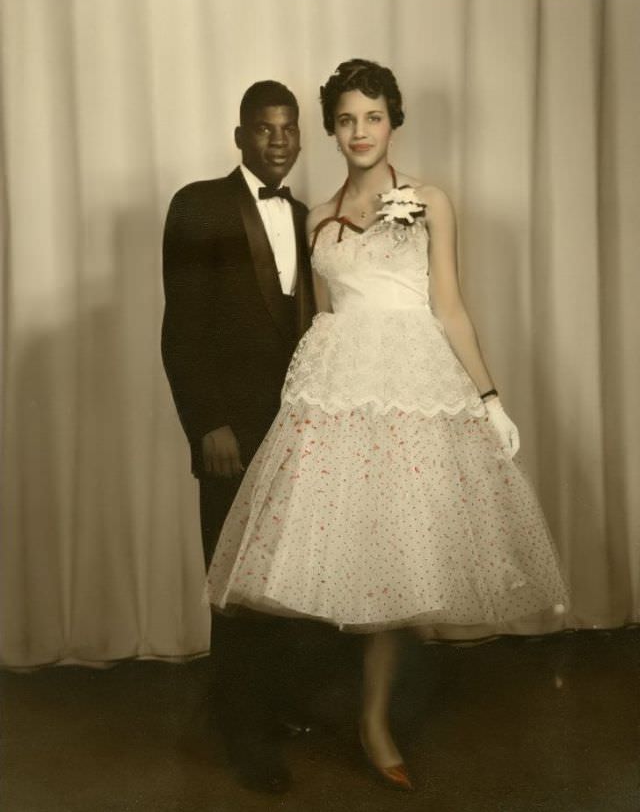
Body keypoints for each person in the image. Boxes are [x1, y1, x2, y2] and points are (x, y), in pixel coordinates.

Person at [204, 60, 569, 792]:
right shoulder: (315, 217)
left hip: (411, 385)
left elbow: (450, 306)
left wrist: (488, 397)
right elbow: (316, 316)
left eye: (372, 116)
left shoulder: (429, 200)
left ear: (393, 121)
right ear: (330, 130)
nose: (359, 131)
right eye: (345, 119)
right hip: (336, 392)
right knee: (341, 557)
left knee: (403, 558)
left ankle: (374, 720)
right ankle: (320, 708)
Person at [161, 80, 315, 793]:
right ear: (240, 135)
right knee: (235, 582)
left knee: (282, 578)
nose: (276, 141)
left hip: (296, 431)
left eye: (288, 129)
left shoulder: (311, 216)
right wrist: (205, 421)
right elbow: (181, 324)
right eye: (264, 129)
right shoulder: (197, 204)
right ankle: (242, 732)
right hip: (229, 429)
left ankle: (272, 706)